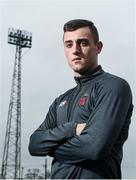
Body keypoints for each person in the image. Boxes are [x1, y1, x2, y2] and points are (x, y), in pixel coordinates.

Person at [29, 19, 133, 179]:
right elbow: (34, 144)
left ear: (98, 47)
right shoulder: (60, 101)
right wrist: (71, 129)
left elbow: (94, 148)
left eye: (83, 43)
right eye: (69, 44)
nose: (75, 50)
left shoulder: (113, 86)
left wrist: (51, 149)